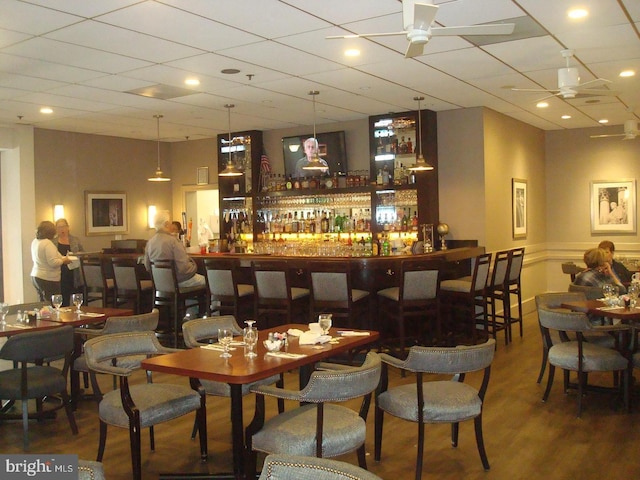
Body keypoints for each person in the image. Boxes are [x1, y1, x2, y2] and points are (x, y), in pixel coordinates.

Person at [143, 210, 205, 289]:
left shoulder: (150, 243)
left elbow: (147, 266)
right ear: (166, 224)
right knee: (209, 282)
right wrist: (194, 267)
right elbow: (183, 268)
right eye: (170, 223)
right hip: (179, 282)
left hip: (160, 283)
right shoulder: (174, 241)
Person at [31, 220, 72, 302]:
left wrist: (62, 258)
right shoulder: (47, 244)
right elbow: (53, 262)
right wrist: (63, 260)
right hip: (48, 278)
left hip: (36, 275)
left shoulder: (35, 241)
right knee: (53, 304)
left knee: (43, 304)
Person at [53, 218, 84, 306]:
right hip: (60, 271)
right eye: (59, 227)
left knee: (76, 296)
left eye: (63, 227)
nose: (62, 229)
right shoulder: (53, 242)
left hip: (74, 271)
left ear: (68, 227)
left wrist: (75, 256)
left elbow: (83, 253)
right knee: (63, 297)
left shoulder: (75, 240)